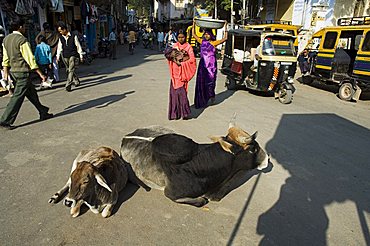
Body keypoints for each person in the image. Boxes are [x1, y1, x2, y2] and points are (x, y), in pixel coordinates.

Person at [0, 19, 53, 130]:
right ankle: (5, 120)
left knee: (31, 93)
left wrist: (5, 75)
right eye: (24, 26)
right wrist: (40, 74)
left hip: (14, 72)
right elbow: (30, 59)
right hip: (22, 72)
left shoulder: (6, 40)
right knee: (17, 97)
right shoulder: (22, 40)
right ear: (20, 27)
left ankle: (43, 111)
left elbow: (5, 60)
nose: (25, 29)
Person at [192, 21, 228, 108]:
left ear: (211, 35)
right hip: (203, 66)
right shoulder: (202, 42)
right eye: (205, 34)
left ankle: (211, 96)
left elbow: (225, 38)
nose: (206, 36)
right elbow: (193, 34)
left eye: (208, 34)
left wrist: (226, 26)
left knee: (211, 82)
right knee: (201, 82)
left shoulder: (214, 43)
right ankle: (202, 99)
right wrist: (193, 24)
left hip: (211, 66)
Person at [165, 30, 196, 120]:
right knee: (174, 94)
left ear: (185, 37)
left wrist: (182, 63)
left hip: (183, 73)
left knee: (182, 94)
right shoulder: (175, 46)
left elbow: (192, 60)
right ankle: (175, 114)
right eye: (179, 37)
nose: (181, 39)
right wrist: (174, 60)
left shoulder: (189, 47)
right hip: (175, 73)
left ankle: (184, 113)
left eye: (182, 37)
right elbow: (169, 57)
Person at [56, 21, 84, 92]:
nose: (60, 32)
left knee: (71, 69)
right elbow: (59, 47)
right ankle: (76, 80)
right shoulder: (61, 38)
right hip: (65, 55)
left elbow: (78, 46)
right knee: (68, 69)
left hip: (73, 55)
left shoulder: (73, 36)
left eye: (60, 31)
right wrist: (58, 56)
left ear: (64, 29)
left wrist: (81, 55)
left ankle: (68, 84)